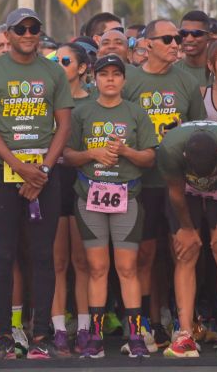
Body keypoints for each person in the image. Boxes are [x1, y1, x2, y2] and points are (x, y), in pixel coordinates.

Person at [0, 8, 74, 359]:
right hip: (4, 171)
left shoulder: (52, 71)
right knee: (3, 253)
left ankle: (42, 334)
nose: (28, 34)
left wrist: (43, 171)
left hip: (45, 174)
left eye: (34, 28)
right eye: (21, 29)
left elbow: (64, 125)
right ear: (9, 33)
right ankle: (4, 334)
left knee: (43, 255)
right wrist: (19, 166)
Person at [64, 54, 157, 359]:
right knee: (97, 267)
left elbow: (149, 158)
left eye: (117, 74)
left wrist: (125, 151)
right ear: (94, 78)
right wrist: (93, 153)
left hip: (127, 197)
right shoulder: (82, 112)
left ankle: (136, 335)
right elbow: (68, 154)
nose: (111, 79)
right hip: (90, 197)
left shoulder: (135, 113)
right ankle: (94, 336)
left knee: (127, 267)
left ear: (124, 80)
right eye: (104, 74)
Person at [125, 19, 207, 352]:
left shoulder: (186, 81)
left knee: (181, 253)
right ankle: (148, 324)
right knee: (144, 256)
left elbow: (201, 131)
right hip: (139, 182)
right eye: (169, 38)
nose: (178, 43)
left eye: (180, 38)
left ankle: (183, 324)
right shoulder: (130, 80)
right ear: (147, 45)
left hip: (178, 183)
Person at [158, 121, 217, 358]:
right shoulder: (170, 148)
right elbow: (176, 194)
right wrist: (187, 229)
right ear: (185, 156)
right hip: (186, 192)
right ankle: (185, 334)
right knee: (185, 253)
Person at [49, 42, 92, 355]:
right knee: (57, 261)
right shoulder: (46, 102)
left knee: (83, 261)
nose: (58, 64)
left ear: (81, 68)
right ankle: (59, 329)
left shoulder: (93, 103)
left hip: (86, 184)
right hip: (52, 183)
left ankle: (86, 327)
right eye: (54, 59)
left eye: (64, 60)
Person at [177, 11, 212, 88]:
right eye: (184, 33)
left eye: (196, 33)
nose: (189, 39)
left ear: (209, 37)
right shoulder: (172, 72)